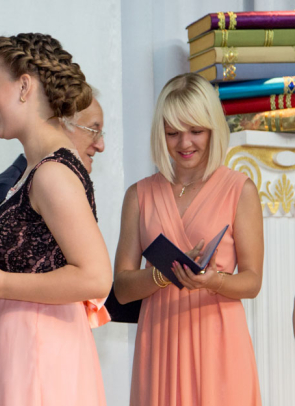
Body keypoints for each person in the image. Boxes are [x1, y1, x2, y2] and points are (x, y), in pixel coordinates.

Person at [0, 33, 112, 406]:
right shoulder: (35, 171)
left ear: (24, 87)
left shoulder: (52, 174)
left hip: (39, 352)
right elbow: (27, 262)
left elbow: (96, 277)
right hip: (21, 347)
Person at [113, 73, 263, 406]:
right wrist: (161, 274)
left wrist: (214, 280)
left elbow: (252, 282)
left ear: (213, 129)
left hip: (219, 341)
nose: (184, 143)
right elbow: (121, 288)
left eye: (196, 130)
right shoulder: (139, 195)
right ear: (160, 133)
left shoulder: (240, 190)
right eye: (173, 133)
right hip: (160, 343)